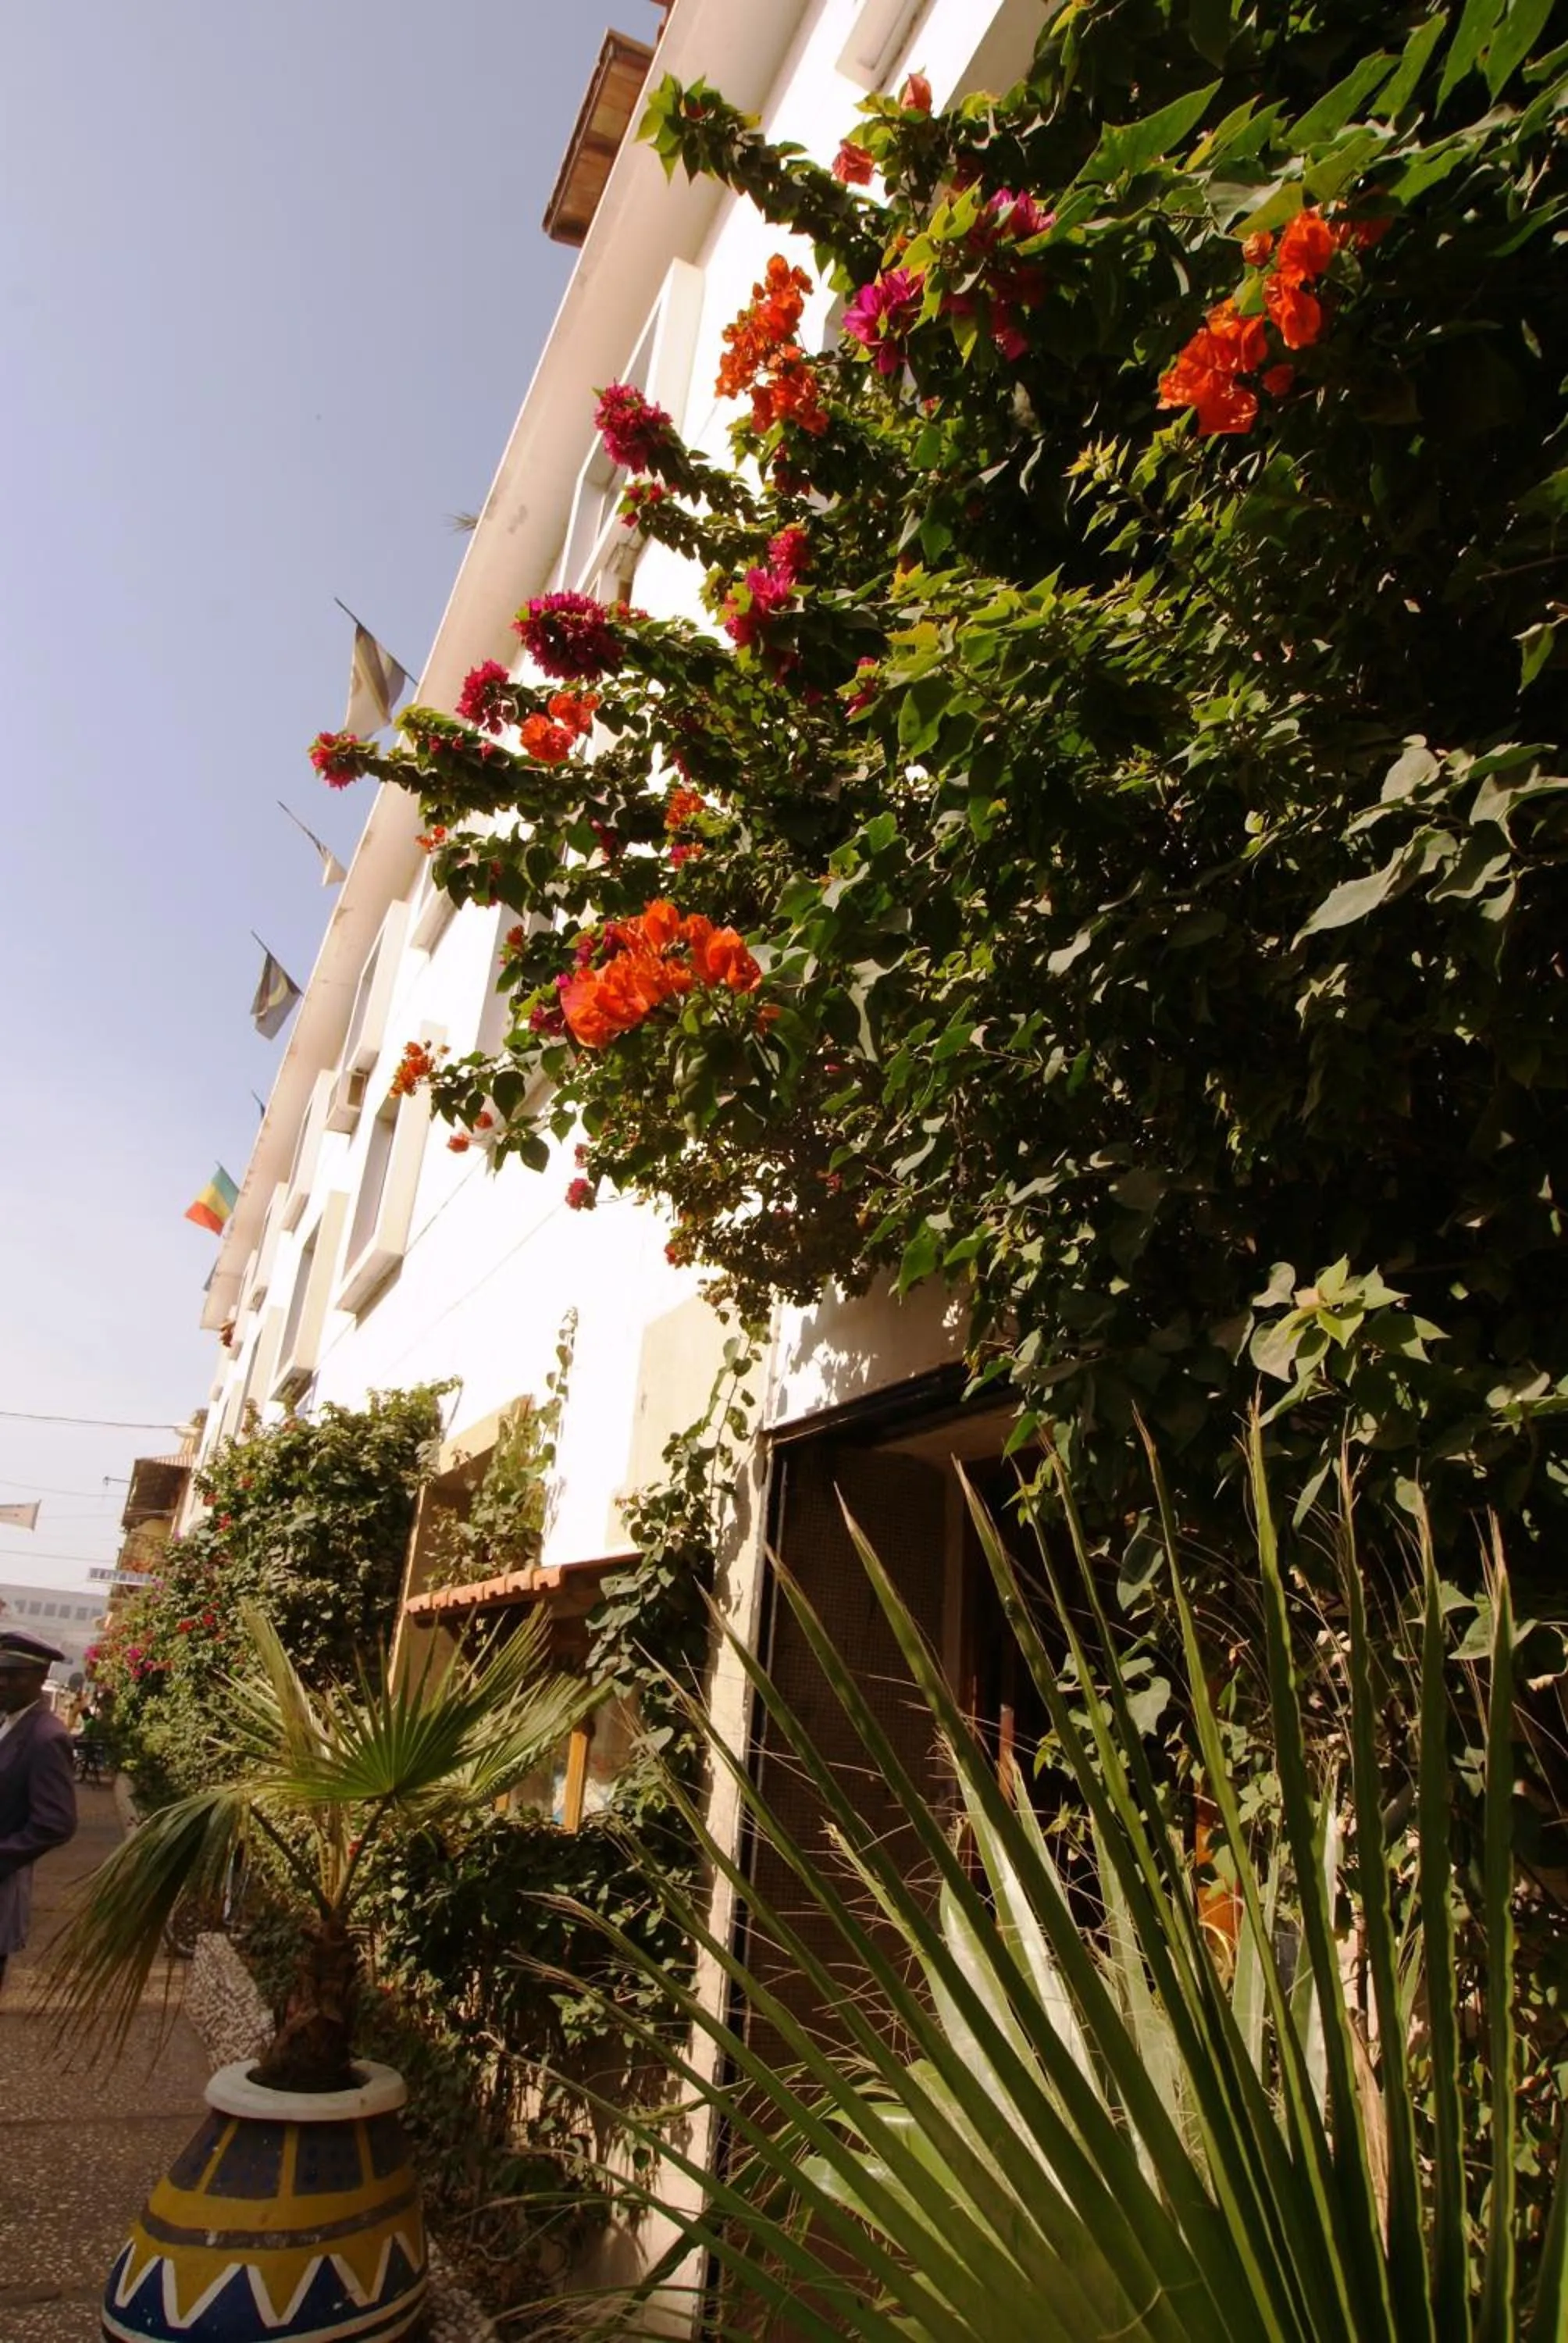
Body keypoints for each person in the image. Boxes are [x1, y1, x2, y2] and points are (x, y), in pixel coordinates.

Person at [0, 1629, 79, 1990]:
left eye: (13, 1675)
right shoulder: (9, 1721)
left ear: (40, 1678)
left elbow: (56, 1822)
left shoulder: (46, 1737)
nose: (2, 1682)